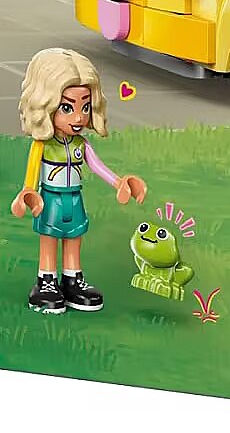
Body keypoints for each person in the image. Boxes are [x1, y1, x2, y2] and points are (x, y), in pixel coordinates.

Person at [11, 48, 147, 314]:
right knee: (49, 238)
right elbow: (31, 176)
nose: (78, 118)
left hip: (74, 198)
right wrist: (28, 193)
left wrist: (120, 182)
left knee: (74, 237)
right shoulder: (43, 145)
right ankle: (46, 281)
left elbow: (97, 166)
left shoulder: (80, 144)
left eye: (84, 107)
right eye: (67, 107)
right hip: (50, 198)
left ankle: (73, 280)